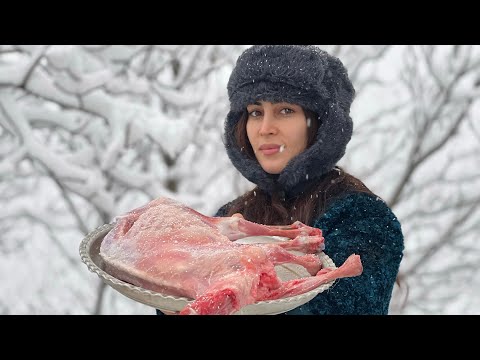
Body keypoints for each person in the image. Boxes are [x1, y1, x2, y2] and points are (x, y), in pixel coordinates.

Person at [157, 44, 404, 315]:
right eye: (255, 112)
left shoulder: (362, 216)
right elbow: (186, 294)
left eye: (285, 110)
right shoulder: (232, 217)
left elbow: (343, 309)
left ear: (320, 123)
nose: (265, 129)